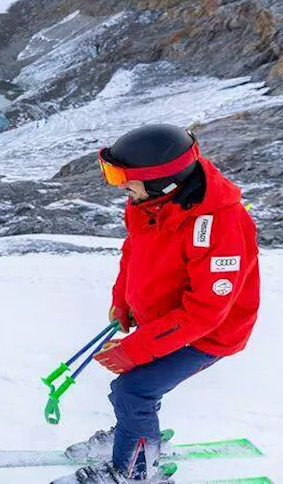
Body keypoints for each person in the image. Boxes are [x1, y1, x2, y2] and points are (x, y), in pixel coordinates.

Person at [55, 124, 260, 484]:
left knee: (132, 390)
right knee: (137, 392)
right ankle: (137, 434)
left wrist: (136, 349)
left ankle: (135, 471)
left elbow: (206, 312)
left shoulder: (221, 225)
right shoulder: (148, 202)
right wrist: (123, 301)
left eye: (124, 178)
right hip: (166, 322)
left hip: (208, 334)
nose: (120, 186)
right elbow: (133, 253)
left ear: (165, 180)